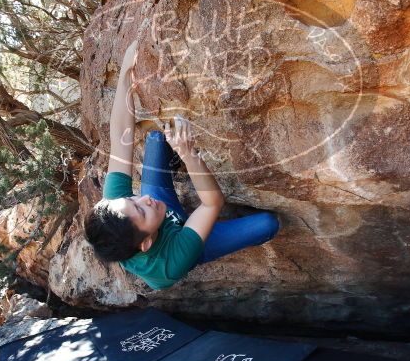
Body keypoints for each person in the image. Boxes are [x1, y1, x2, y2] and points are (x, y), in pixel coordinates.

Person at [83, 40, 280, 290]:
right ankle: (200, 231)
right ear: (144, 244)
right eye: (141, 211)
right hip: (185, 242)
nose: (144, 200)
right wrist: (188, 154)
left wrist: (126, 72)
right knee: (267, 224)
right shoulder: (170, 263)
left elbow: (121, 136)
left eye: (133, 199)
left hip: (164, 218)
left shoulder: (118, 210)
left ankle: (172, 168)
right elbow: (212, 203)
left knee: (157, 138)